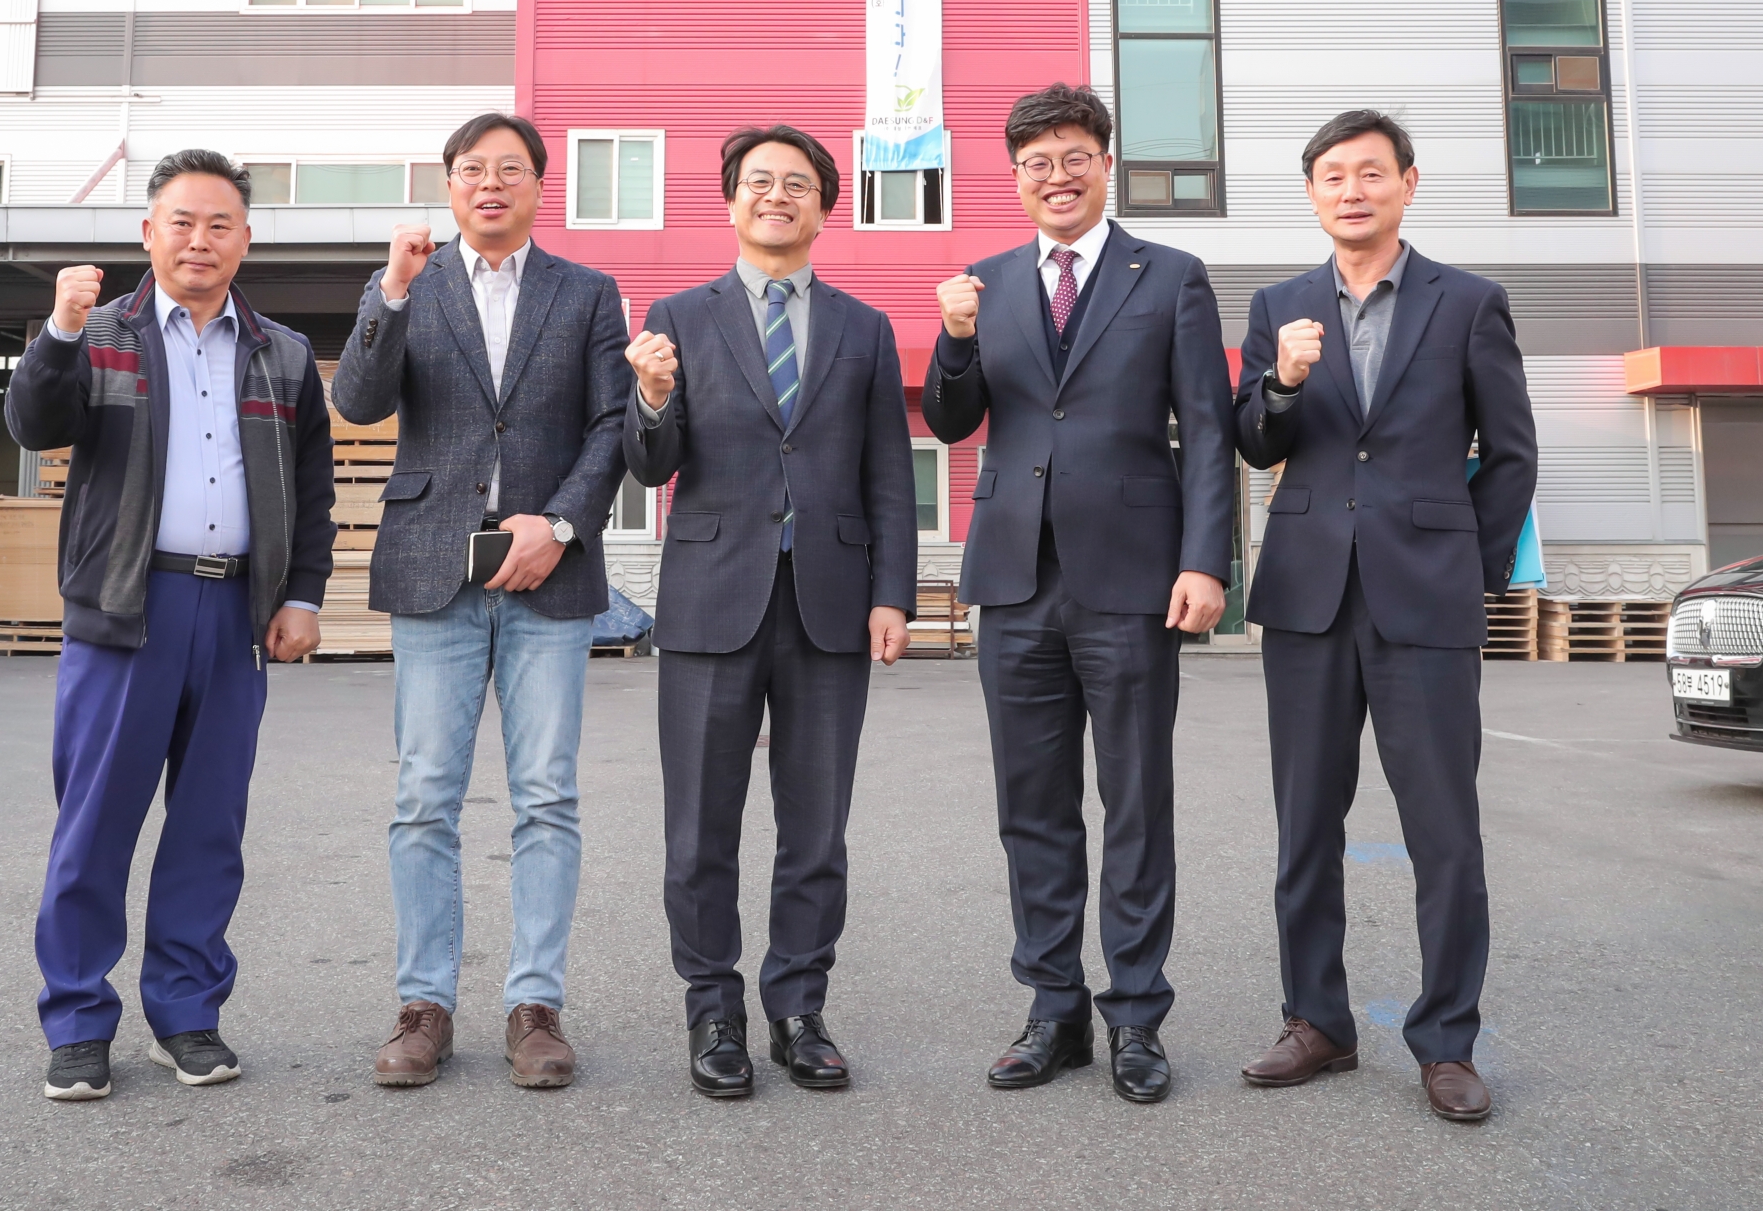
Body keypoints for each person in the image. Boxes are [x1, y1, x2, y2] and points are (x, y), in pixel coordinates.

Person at [922, 84, 1234, 1105]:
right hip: (1014, 580)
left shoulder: (1171, 276)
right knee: (1033, 806)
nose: (1054, 177)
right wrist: (955, 338)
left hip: (1134, 579)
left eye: (1072, 157)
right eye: (1035, 163)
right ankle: (1053, 1007)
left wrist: (1205, 561)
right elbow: (955, 421)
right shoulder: (989, 283)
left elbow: (1207, 430)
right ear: (1016, 178)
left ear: (1105, 162)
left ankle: (1135, 1013)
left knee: (1135, 801)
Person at [5, 148, 337, 1103]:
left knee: (208, 826)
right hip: (126, 608)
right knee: (96, 823)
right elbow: (34, 424)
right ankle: (78, 1022)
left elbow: (312, 485)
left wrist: (303, 593)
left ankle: (186, 1015)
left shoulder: (279, 352)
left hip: (234, 613)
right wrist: (59, 331)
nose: (200, 240)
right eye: (182, 222)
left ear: (245, 240)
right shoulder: (100, 333)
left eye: (219, 224)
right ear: (149, 233)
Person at [1231, 109, 1536, 1125]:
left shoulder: (1470, 303)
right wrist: (1282, 382)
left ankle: (1446, 1040)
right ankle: (1316, 1021)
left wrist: (1466, 570)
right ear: (1311, 194)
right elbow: (1253, 440)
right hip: (1308, 596)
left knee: (1444, 831)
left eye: (1370, 172)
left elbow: (1513, 452)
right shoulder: (1278, 307)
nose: (1351, 190)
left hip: (1426, 599)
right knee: (1304, 825)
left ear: (1409, 182)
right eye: (1332, 175)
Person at [331, 113, 630, 1091]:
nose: (490, 183)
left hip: (550, 573)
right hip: (433, 568)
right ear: (451, 185)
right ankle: (424, 1005)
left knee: (546, 796)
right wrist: (390, 293)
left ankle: (535, 1008)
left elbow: (612, 425)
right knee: (424, 797)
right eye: (472, 169)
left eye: (509, 169)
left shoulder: (586, 293)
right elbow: (359, 402)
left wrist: (564, 524)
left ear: (540, 185)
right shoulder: (412, 285)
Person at [622, 125, 918, 1100]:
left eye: (798, 183)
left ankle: (798, 1006)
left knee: (817, 827)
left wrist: (891, 594)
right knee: (700, 827)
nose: (777, 195)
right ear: (731, 201)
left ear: (824, 208)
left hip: (831, 603)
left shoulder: (865, 328)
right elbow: (651, 465)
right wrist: (652, 397)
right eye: (759, 181)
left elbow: (888, 473)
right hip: (712, 599)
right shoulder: (679, 316)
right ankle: (713, 1008)